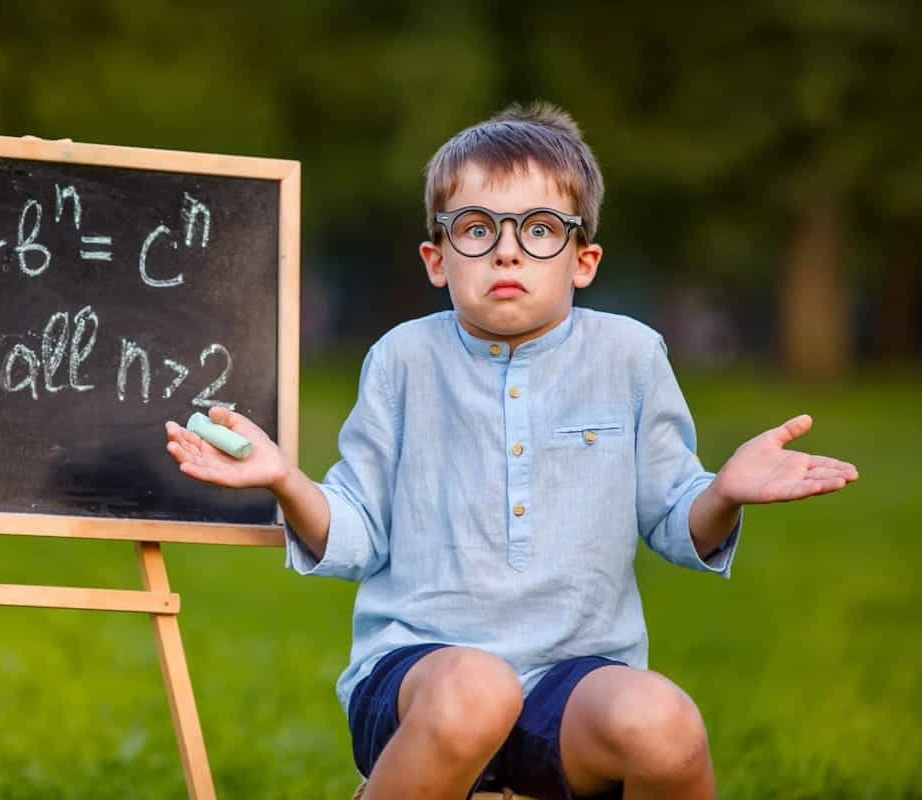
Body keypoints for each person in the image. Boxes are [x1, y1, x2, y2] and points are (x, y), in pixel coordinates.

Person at [164, 102, 859, 800]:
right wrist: (285, 478)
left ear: (583, 260)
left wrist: (723, 493)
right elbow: (356, 531)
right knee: (477, 687)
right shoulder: (403, 358)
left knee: (666, 723)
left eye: (538, 230)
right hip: (420, 680)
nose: (506, 250)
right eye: (475, 229)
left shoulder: (631, 355)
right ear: (436, 260)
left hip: (572, 687)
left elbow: (677, 521)